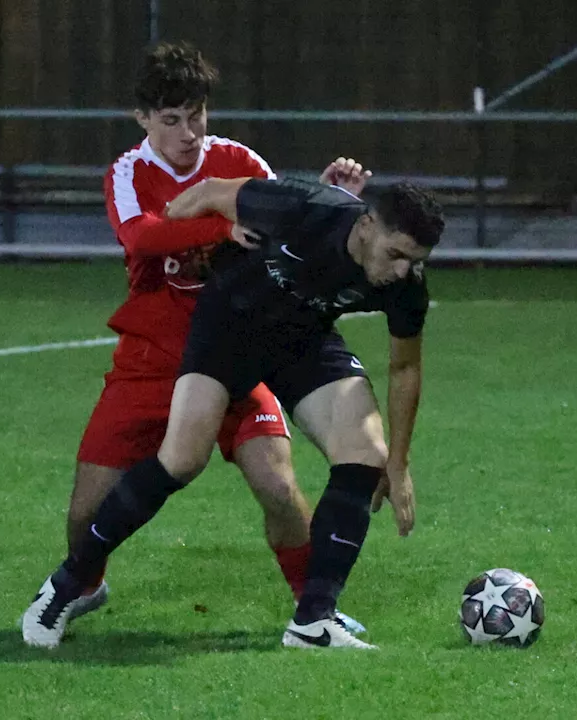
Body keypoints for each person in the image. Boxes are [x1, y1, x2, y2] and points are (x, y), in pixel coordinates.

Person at [23, 173, 443, 650]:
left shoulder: (406, 285)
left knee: (365, 454)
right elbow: (203, 195)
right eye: (397, 254)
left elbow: (406, 367)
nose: (404, 270)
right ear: (367, 226)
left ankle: (313, 622)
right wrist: (173, 262)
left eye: (416, 260)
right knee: (182, 458)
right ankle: (64, 585)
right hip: (228, 326)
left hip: (301, 340)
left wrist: (399, 463)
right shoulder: (301, 206)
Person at [62, 42, 369, 629]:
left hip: (235, 352)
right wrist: (222, 223)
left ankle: (315, 610)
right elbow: (142, 238)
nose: (187, 132)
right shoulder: (129, 173)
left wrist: (335, 200)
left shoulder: (238, 160)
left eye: (195, 114)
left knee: (280, 488)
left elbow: (294, 223)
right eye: (171, 119)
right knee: (85, 514)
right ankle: (86, 585)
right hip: (152, 359)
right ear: (143, 120)